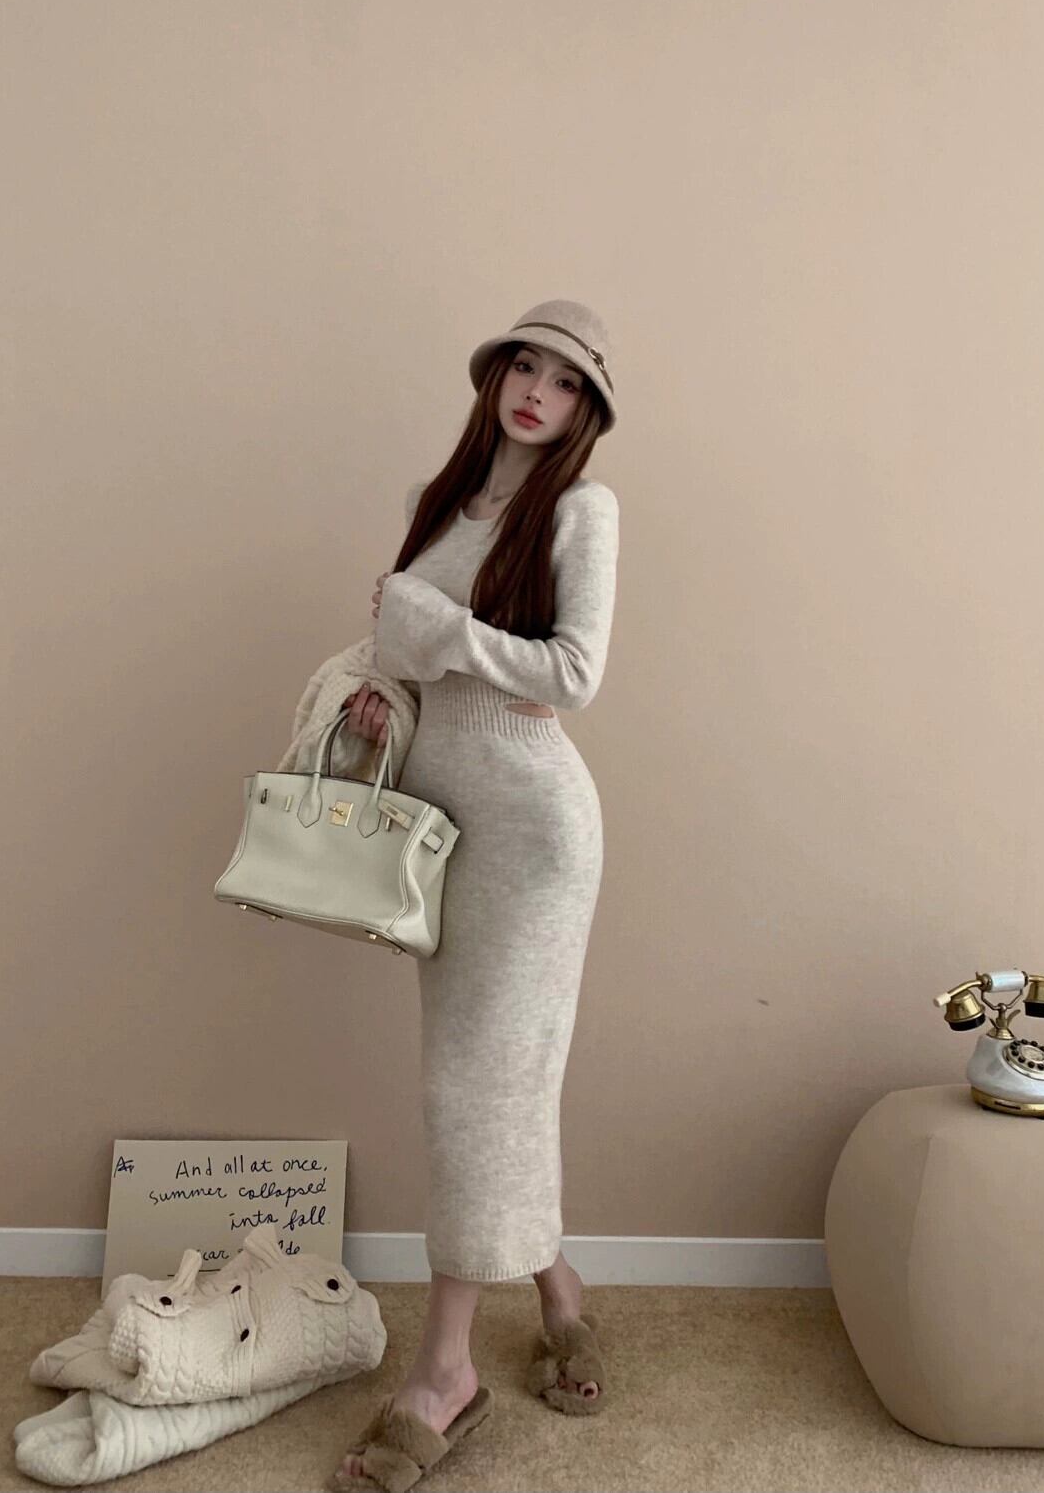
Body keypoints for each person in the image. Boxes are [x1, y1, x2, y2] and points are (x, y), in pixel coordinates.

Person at [330, 301, 620, 1489]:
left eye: (564, 380)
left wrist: (441, 630)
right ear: (495, 375)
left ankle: (444, 1371)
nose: (536, 390)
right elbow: (406, 665)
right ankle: (559, 1291)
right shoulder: (434, 502)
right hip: (438, 827)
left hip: (534, 828)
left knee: (474, 1087)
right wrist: (381, 700)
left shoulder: (581, 509)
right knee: (500, 1080)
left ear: (585, 409)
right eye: (523, 365)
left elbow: (575, 672)